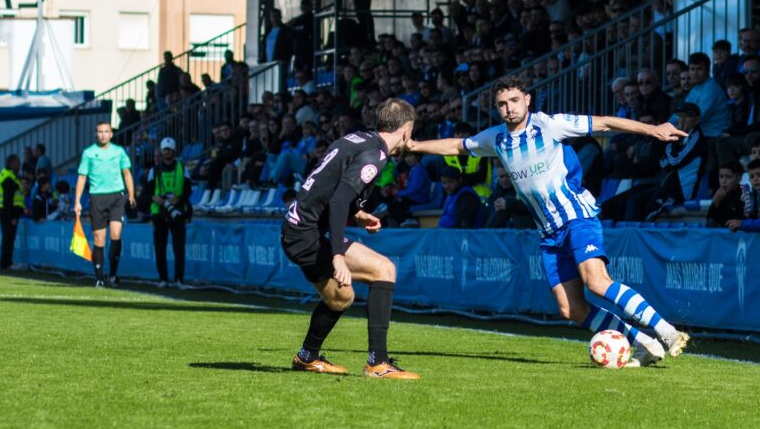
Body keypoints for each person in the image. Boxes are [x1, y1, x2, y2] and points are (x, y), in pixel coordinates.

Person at [408, 75, 690, 367]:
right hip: (548, 232)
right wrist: (415, 147)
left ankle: (666, 331)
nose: (509, 108)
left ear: (527, 99)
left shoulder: (549, 124)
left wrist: (652, 129)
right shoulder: (497, 138)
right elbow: (457, 146)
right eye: (502, 104)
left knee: (597, 282)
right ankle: (643, 342)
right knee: (571, 308)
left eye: (514, 101)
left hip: (576, 216)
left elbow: (604, 122)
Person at [281, 98, 421, 379]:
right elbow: (338, 200)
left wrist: (358, 213)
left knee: (341, 298)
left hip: (296, 229)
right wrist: (337, 256)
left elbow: (329, 184)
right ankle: (377, 363)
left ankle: (307, 357)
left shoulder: (357, 139)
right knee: (384, 269)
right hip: (307, 234)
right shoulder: (376, 156)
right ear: (406, 130)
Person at [75, 122, 136, 288]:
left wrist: (131, 194)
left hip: (117, 197)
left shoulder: (119, 151)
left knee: (116, 234)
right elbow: (82, 177)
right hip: (97, 198)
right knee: (99, 239)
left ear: (111, 134)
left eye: (106, 132)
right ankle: (100, 278)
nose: (103, 135)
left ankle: (113, 276)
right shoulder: (89, 153)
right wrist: (77, 201)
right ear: (96, 134)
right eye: (100, 132)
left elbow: (127, 173)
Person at [147, 137, 192, 288]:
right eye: (164, 149)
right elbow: (147, 192)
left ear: (174, 151)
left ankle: (179, 279)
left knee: (179, 248)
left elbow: (188, 189)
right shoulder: (154, 170)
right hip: (159, 212)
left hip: (178, 211)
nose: (167, 152)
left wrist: (177, 200)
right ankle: (163, 279)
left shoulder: (182, 168)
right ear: (161, 151)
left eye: (169, 149)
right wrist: (155, 199)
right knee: (160, 247)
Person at [0, 154, 24, 269]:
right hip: (9, 213)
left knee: (7, 237)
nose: (19, 165)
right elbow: (8, 198)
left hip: (5, 212)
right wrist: (12, 215)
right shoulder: (9, 177)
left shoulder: (5, 174)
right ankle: (6, 263)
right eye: (18, 162)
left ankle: (6, 262)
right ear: (12, 163)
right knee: (9, 238)